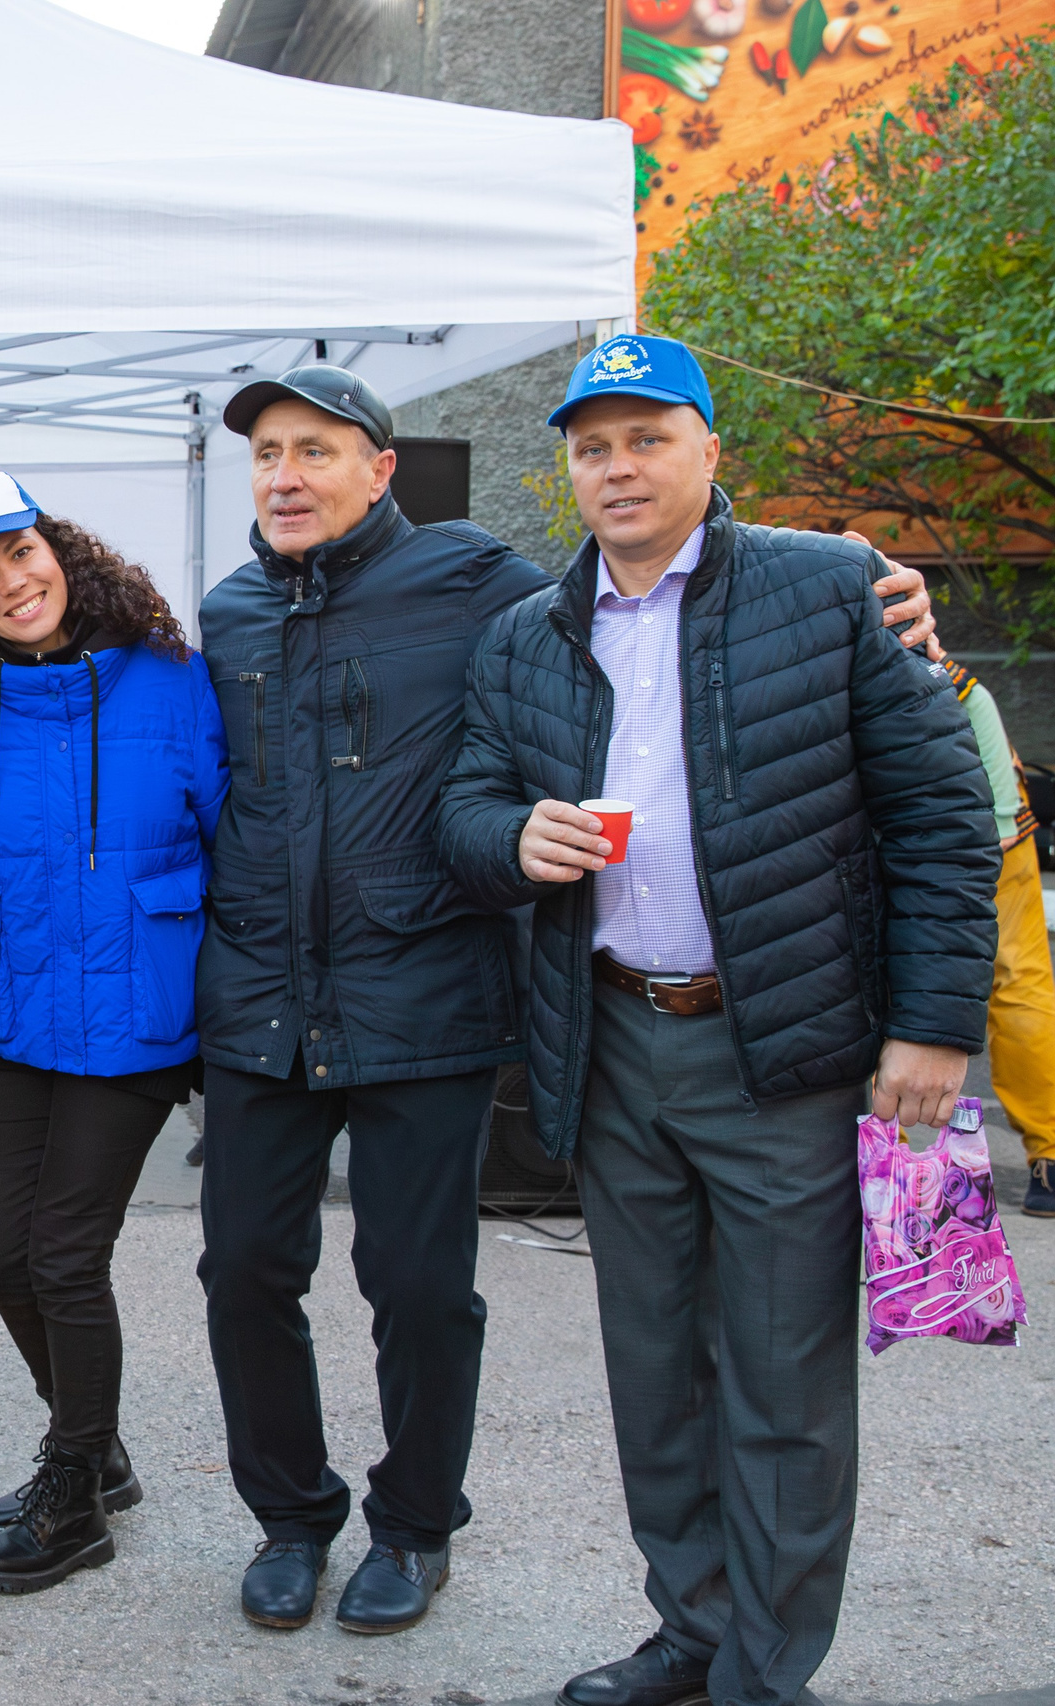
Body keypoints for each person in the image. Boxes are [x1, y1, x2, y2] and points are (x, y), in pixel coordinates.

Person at [190, 364, 939, 1639]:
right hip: (268, 996)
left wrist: (893, 601)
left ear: (380, 467)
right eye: (266, 454)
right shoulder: (229, 613)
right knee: (243, 1270)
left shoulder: (481, 579)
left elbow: (652, 585)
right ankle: (290, 1515)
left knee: (422, 1286)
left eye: (315, 450)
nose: (284, 476)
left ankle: (418, 1528)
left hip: (427, 993)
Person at [437, 334, 996, 1706]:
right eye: (592, 445)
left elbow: (942, 815)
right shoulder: (529, 632)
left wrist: (931, 1025)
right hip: (615, 1043)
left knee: (782, 1383)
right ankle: (690, 1630)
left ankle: (765, 1668)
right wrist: (518, 835)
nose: (617, 467)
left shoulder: (832, 587)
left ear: (708, 448)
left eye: (646, 437)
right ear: (566, 467)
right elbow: (461, 810)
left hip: (785, 1048)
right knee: (653, 1369)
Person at [0, 473, 227, 1593]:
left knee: (64, 1257)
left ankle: (72, 1488)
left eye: (17, 554)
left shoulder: (174, 683)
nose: (8, 584)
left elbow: (232, 837)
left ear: (61, 550)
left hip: (135, 1020)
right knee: (2, 1254)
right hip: (1, 1013)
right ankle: (93, 1446)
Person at [932, 648, 1055, 1217]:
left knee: (877, 990)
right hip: (991, 818)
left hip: (942, 829)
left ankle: (890, 1173)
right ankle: (1051, 1157)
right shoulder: (937, 665)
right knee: (1017, 979)